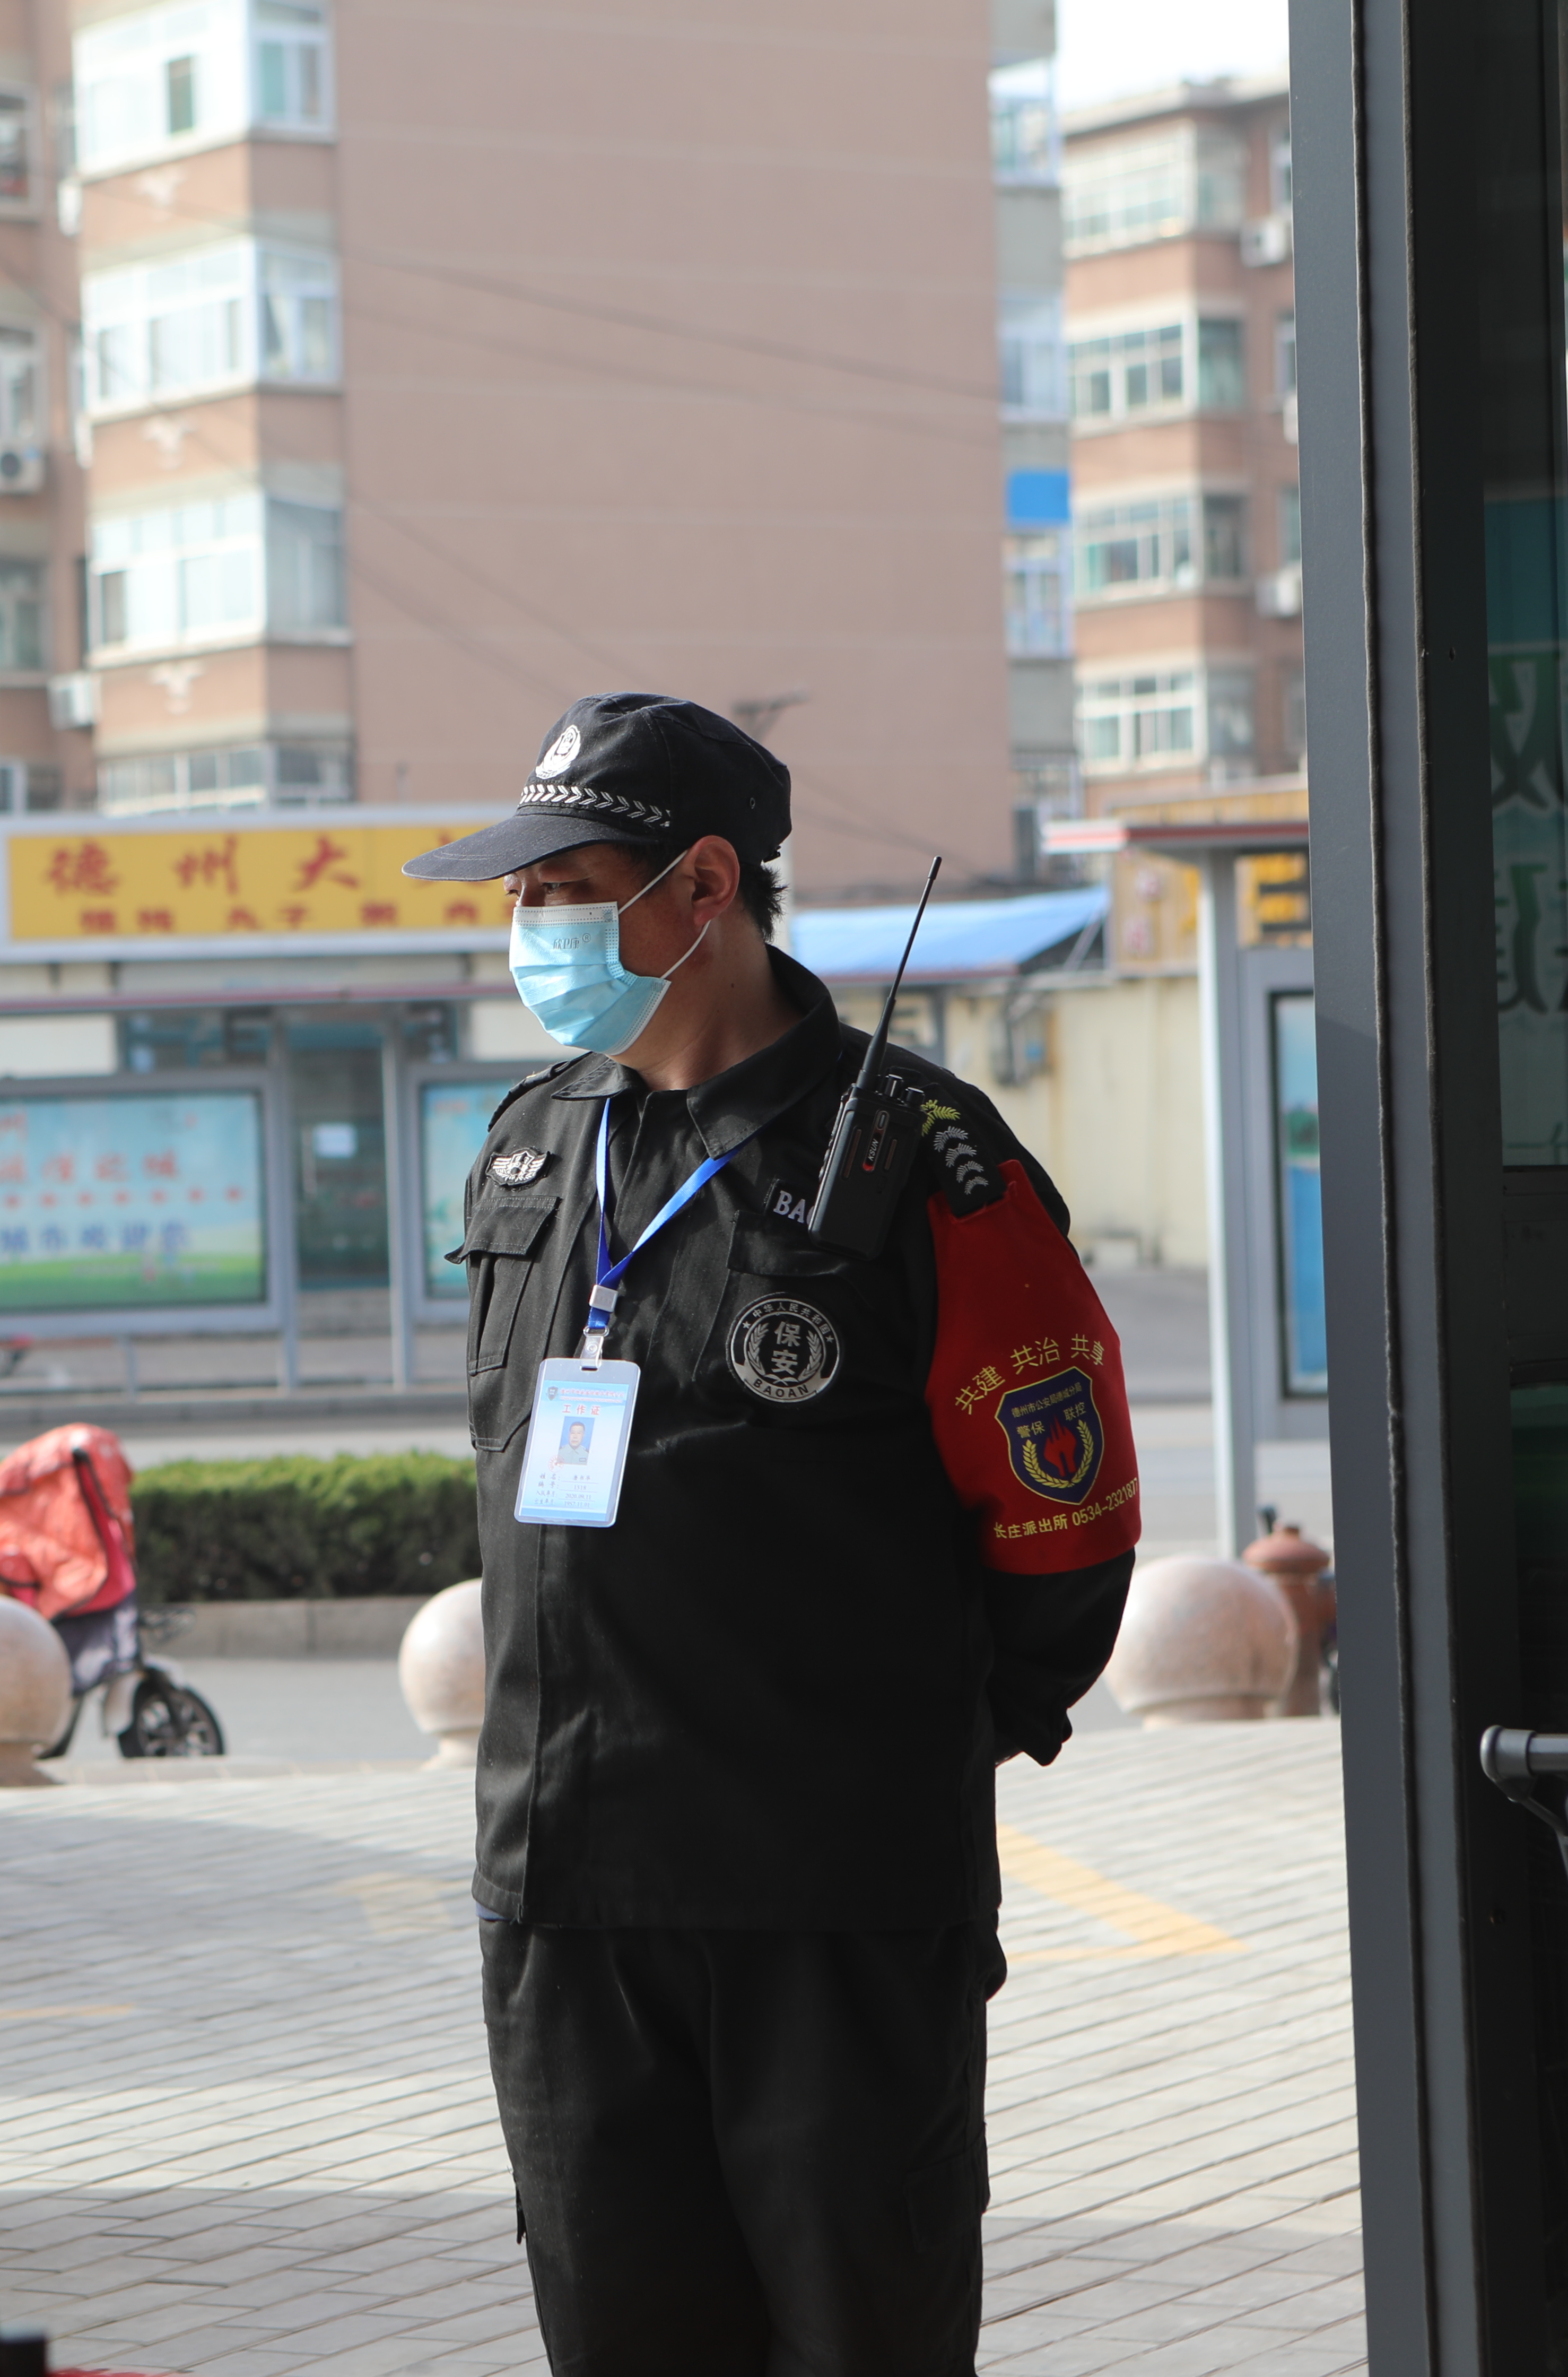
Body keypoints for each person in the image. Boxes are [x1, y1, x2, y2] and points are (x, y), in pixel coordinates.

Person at [404, 692, 1140, 2376]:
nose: (533, 930)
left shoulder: (918, 1160)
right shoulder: (531, 1148)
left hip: (832, 1898)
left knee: (855, 2338)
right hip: (568, 1894)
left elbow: (1066, 1516)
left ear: (706, 888)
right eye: (519, 898)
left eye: (565, 888)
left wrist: (927, 1738)